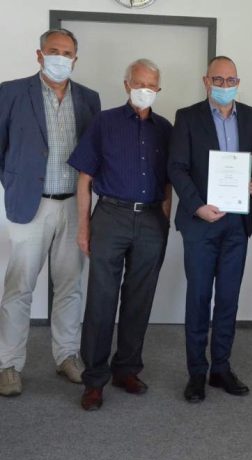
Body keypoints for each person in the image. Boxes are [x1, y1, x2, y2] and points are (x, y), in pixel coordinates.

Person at [0, 29, 100, 396]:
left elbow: (94, 153)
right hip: (31, 203)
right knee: (19, 287)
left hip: (74, 204)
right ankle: (8, 364)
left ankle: (67, 356)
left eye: (67, 52)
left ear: (75, 58)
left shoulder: (89, 98)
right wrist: (16, 182)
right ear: (39, 55)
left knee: (70, 285)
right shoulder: (11, 92)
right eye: (53, 50)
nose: (61, 57)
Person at [68, 59, 172, 411]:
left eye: (151, 85)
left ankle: (126, 369)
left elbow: (169, 182)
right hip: (110, 216)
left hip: (151, 219)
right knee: (101, 300)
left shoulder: (165, 129)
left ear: (158, 89)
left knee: (139, 299)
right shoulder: (104, 122)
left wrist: (164, 222)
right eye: (139, 83)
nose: (145, 90)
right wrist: (84, 226)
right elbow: (84, 178)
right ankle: (94, 379)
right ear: (127, 84)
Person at [168, 56, 252, 403]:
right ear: (206, 81)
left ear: (238, 82)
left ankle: (221, 367)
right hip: (200, 223)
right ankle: (196, 372)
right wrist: (198, 206)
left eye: (231, 80)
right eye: (218, 80)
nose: (225, 86)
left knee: (228, 298)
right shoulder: (187, 117)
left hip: (236, 223)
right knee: (198, 298)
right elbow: (176, 168)